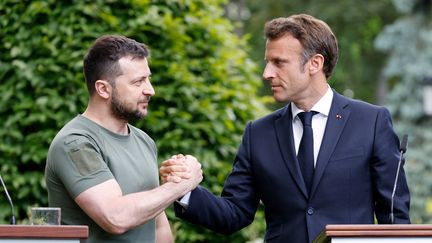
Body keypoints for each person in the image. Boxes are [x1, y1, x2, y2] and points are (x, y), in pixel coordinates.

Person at [160, 14, 410, 242]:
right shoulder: (257, 133)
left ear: (315, 63)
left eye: (279, 62)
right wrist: (184, 191)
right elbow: (234, 213)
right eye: (268, 62)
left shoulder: (371, 121)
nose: (267, 73)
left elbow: (394, 216)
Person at [45, 35, 202, 243]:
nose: (150, 90)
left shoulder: (144, 141)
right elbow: (115, 217)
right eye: (138, 82)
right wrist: (182, 184)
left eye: (148, 78)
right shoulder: (75, 143)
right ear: (103, 89)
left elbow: (158, 224)